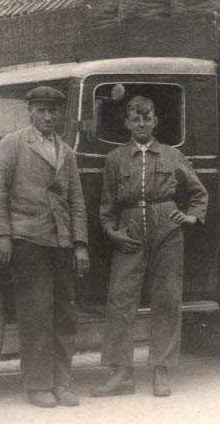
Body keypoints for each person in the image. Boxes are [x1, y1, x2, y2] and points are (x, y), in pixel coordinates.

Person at [91, 95, 208, 398]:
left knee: (167, 298)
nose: (141, 124)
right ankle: (121, 373)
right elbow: (107, 206)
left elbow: (198, 193)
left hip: (166, 230)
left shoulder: (172, 155)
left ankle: (161, 370)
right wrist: (112, 232)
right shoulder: (115, 159)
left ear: (155, 122)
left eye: (147, 119)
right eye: (136, 119)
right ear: (127, 123)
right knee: (120, 299)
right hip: (129, 231)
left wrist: (191, 217)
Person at [0, 86, 90, 408]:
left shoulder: (66, 152)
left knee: (64, 316)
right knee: (36, 315)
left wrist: (80, 244)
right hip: (28, 241)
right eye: (41, 110)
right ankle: (38, 385)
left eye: (53, 111)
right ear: (30, 111)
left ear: (60, 115)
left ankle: (61, 383)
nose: (47, 117)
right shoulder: (13, 144)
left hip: (61, 243)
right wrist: (3, 234)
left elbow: (76, 201)